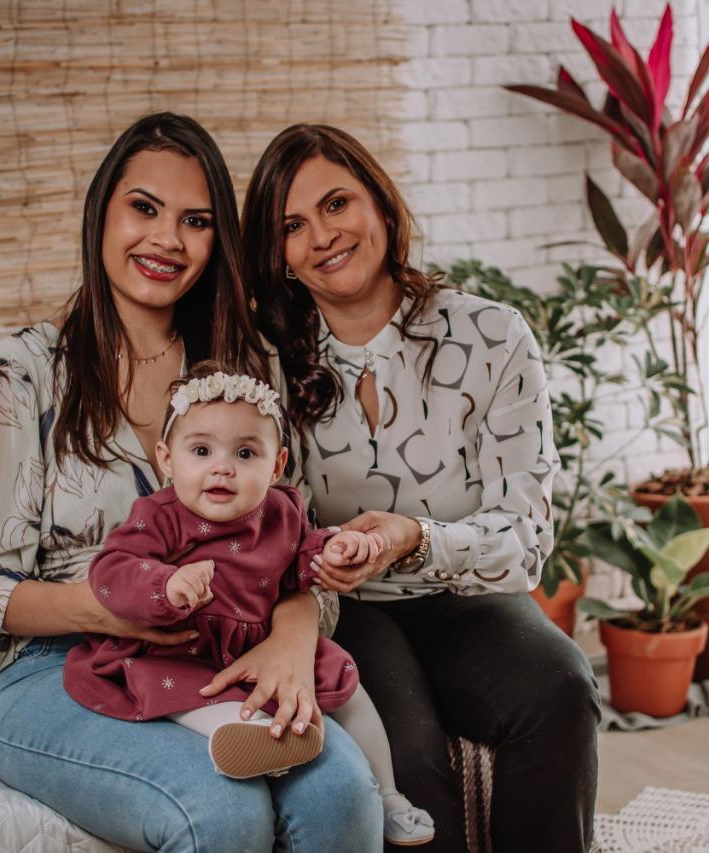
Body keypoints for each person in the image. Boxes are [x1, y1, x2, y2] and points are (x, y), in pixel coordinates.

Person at [0, 113, 381, 853]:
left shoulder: (244, 367)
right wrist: (108, 608)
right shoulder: (21, 374)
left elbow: (293, 543)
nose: (167, 239)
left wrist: (293, 637)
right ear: (101, 212)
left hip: (219, 656)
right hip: (48, 666)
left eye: (195, 221)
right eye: (144, 208)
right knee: (219, 810)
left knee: (344, 792)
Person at [241, 124, 602, 852]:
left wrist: (416, 539)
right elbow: (265, 526)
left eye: (336, 203)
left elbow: (527, 538)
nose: (323, 235)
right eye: (292, 226)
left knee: (560, 688)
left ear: (380, 202)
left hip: (467, 594)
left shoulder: (494, 337)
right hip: (343, 610)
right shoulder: (265, 362)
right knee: (407, 763)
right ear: (278, 257)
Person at [63, 362, 435, 846]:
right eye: (201, 451)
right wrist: (166, 585)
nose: (223, 467)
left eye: (245, 453)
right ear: (166, 459)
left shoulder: (283, 510)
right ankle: (258, 741)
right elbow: (111, 571)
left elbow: (302, 563)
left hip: (262, 644)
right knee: (188, 695)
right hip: (187, 652)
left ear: (276, 466)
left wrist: (337, 549)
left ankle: (388, 795)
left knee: (348, 685)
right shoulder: (159, 516)